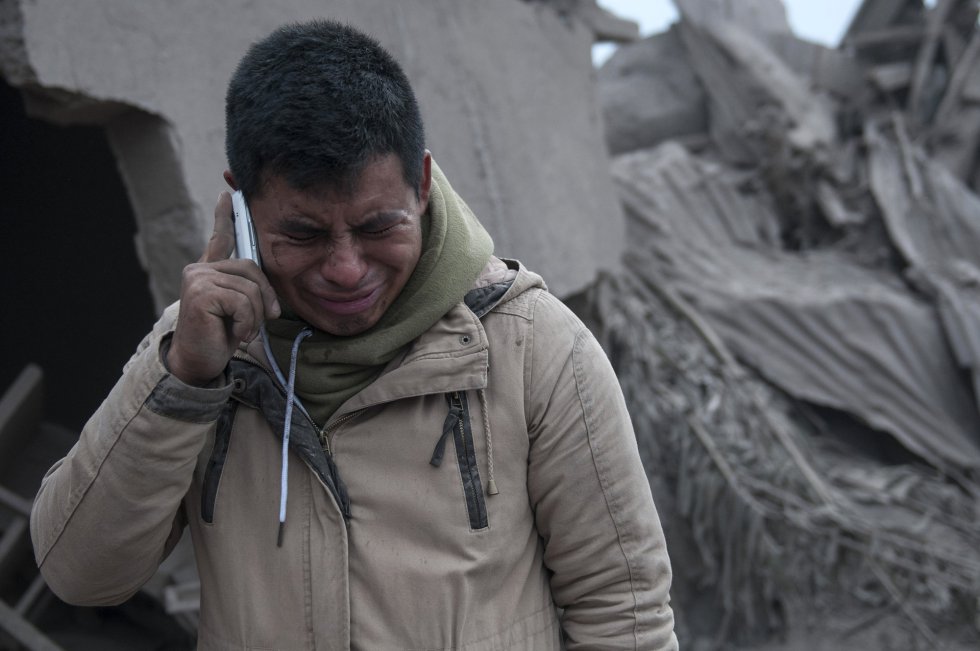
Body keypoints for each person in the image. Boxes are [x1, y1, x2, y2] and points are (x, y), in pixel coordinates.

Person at [30, 19, 677, 650]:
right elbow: (80, 574)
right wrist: (183, 380)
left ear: (421, 185)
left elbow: (626, 611)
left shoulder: (533, 346)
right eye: (303, 234)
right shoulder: (201, 351)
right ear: (242, 206)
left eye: (376, 227)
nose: (345, 268)